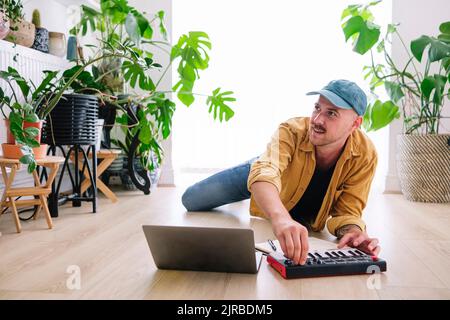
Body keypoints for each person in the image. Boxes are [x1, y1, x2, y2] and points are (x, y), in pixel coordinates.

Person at [181, 79, 380, 265]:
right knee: (192, 199)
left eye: (332, 113)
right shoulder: (292, 130)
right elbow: (266, 172)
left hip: (286, 193)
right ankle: (257, 170)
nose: (317, 119)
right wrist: (282, 220)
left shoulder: (365, 155)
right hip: (265, 176)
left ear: (355, 124)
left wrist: (354, 232)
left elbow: (348, 210)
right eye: (317, 108)